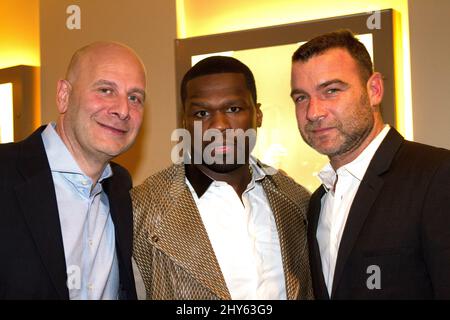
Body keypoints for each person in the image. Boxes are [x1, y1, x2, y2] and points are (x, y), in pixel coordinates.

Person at [132, 56, 313, 300]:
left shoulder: (297, 201)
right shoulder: (141, 209)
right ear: (185, 122)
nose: (219, 125)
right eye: (202, 112)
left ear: (257, 115)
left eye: (233, 109)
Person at [290, 30, 450, 299]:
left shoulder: (437, 175)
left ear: (374, 90)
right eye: (301, 97)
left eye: (331, 90)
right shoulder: (317, 201)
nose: (313, 112)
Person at [0, 41, 147, 299]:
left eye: (134, 98)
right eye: (105, 90)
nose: (123, 110)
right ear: (63, 95)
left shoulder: (121, 187)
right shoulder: (6, 172)